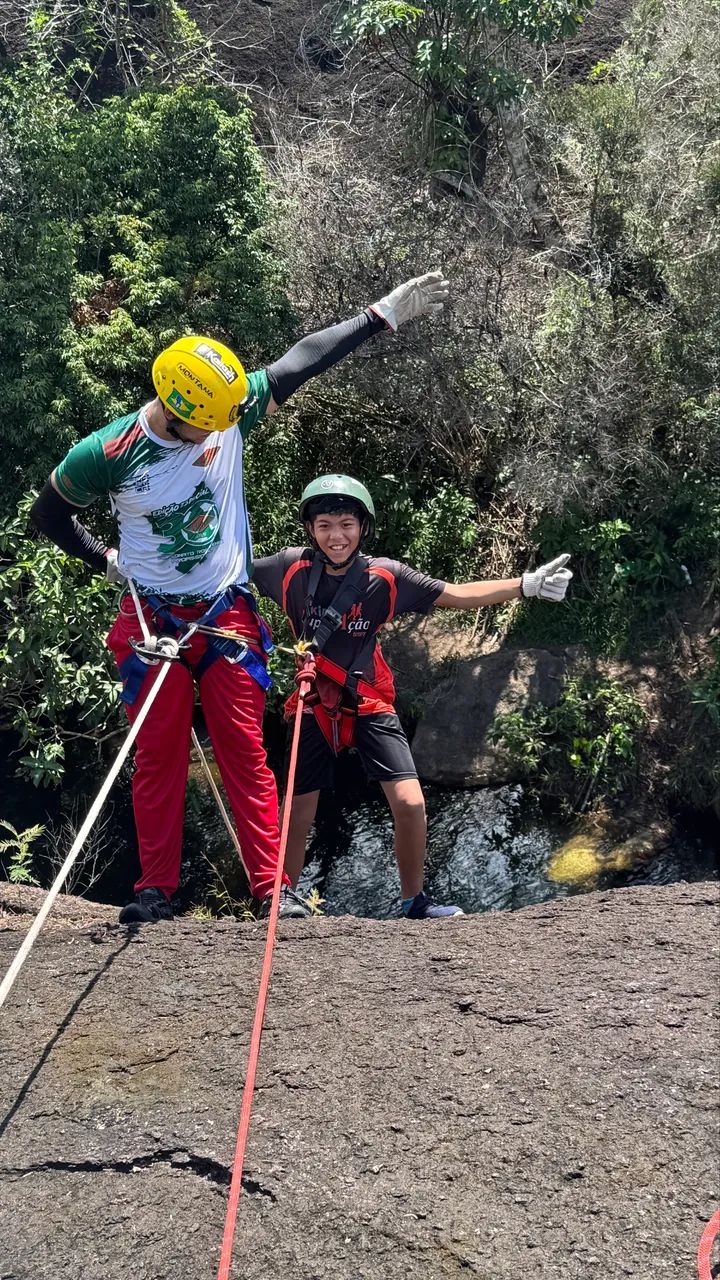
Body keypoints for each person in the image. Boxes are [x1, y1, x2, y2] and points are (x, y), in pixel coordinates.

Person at [29, 271, 450, 924]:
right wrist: (104, 560)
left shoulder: (222, 411)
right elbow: (48, 515)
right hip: (152, 615)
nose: (223, 435)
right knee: (159, 754)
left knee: (245, 750)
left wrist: (379, 316)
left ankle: (269, 888)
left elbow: (299, 362)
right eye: (210, 428)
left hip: (225, 613)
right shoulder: (108, 453)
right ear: (177, 411)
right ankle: (154, 891)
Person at [251, 475, 572, 919]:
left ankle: (413, 901)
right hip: (314, 698)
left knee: (410, 802)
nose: (336, 536)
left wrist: (526, 585)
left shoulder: (385, 576)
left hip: (366, 698)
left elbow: (455, 595)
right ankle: (280, 896)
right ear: (311, 529)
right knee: (299, 807)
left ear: (363, 527)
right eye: (324, 525)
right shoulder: (288, 569)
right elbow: (223, 569)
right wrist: (132, 565)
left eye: (346, 524)